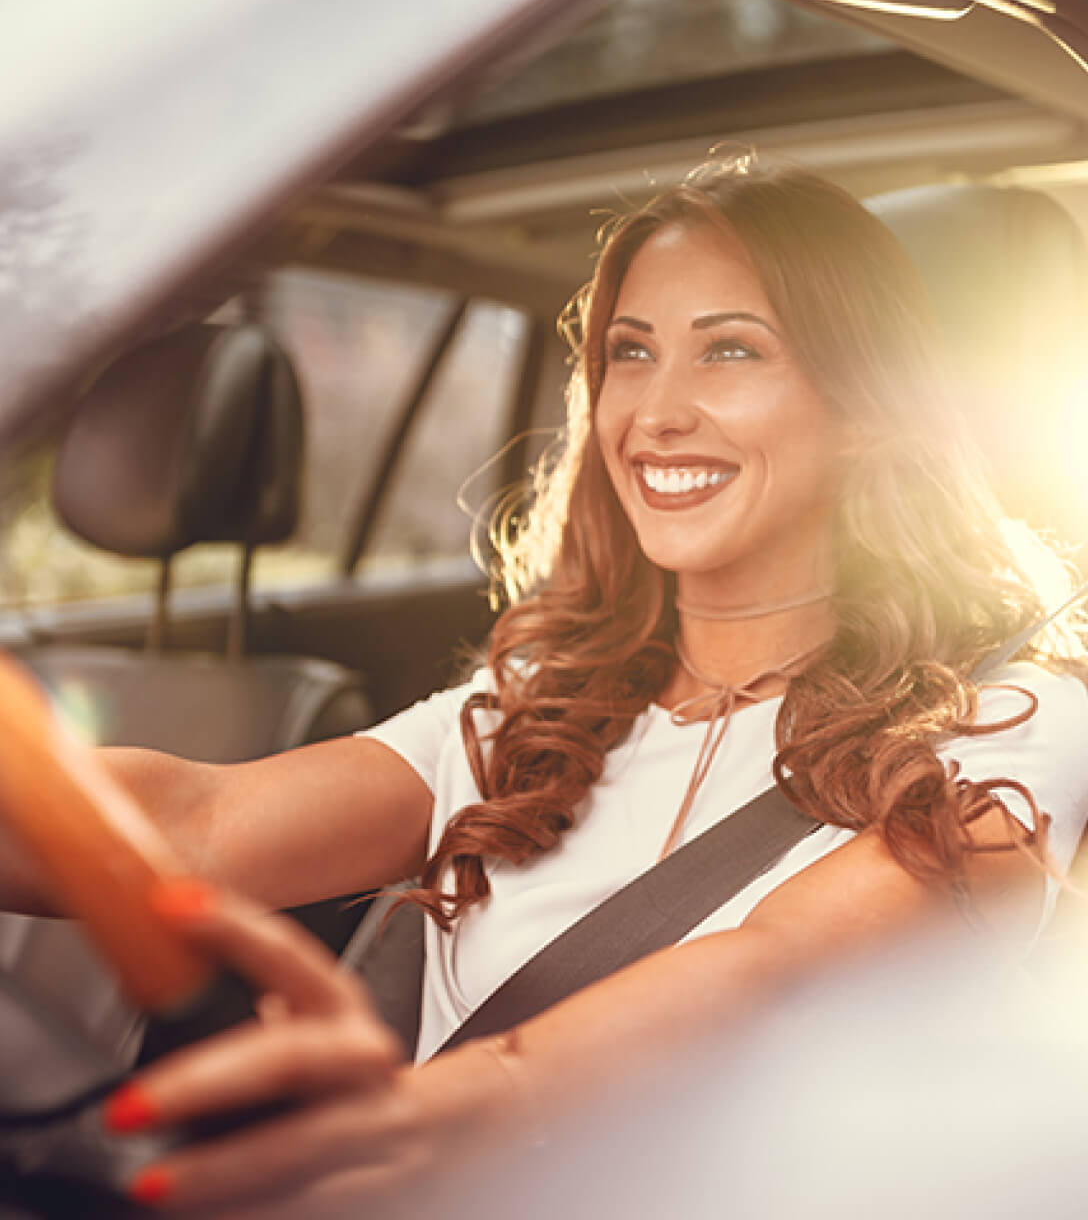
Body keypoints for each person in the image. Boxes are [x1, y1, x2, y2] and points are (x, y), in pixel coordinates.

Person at [3, 156, 1088, 1216]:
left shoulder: (1009, 722)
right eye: (629, 352)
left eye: (730, 352)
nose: (653, 412)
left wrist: (435, 1113)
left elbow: (771, 971)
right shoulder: (533, 703)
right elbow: (195, 822)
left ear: (863, 408)